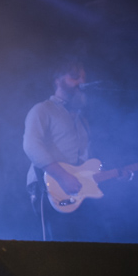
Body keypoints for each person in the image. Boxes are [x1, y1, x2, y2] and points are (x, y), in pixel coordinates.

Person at [23, 57, 90, 240]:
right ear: (57, 80)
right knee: (57, 248)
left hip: (76, 189)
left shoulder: (81, 118)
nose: (82, 83)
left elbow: (84, 159)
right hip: (48, 186)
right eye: (75, 77)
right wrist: (63, 175)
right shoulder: (43, 109)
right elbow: (31, 145)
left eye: (83, 78)